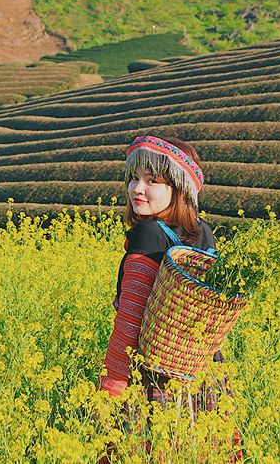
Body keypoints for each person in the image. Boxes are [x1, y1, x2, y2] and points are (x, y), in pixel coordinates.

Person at [99, 134, 242, 461]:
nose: (137, 188)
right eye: (134, 178)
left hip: (154, 379)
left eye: (152, 181)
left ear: (178, 187)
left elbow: (130, 321)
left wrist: (111, 388)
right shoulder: (204, 233)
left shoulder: (147, 235)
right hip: (204, 375)